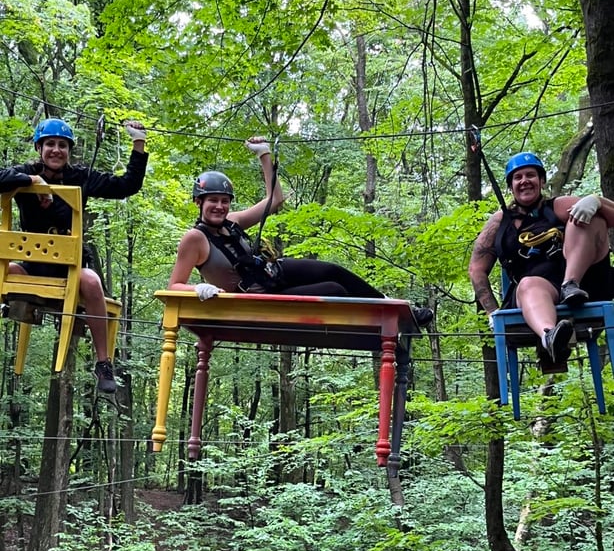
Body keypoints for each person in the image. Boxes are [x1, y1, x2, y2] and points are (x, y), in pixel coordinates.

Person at [168, 136, 433, 326]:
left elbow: (275, 200)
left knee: (332, 270)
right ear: (199, 202)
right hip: (258, 296)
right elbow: (174, 285)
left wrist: (264, 155)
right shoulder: (195, 239)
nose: (219, 207)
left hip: (273, 272)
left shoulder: (233, 221)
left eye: (224, 201)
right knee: (334, 289)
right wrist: (199, 289)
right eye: (213, 201)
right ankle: (384, 318)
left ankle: (395, 306)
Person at [0, 117, 149, 393]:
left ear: (69, 150)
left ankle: (103, 363)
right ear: (39, 148)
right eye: (50, 144)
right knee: (4, 272)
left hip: (69, 269)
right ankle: (17, 308)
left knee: (91, 281)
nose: (56, 150)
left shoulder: (80, 178)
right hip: (32, 266)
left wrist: (138, 143)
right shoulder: (25, 172)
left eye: (62, 145)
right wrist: (33, 181)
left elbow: (127, 186)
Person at [468, 151, 614, 363]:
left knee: (591, 217)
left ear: (542, 181)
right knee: (529, 285)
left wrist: (596, 202)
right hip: (534, 292)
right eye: (518, 177)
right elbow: (476, 269)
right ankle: (551, 336)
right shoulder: (499, 223)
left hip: (580, 286)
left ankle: (570, 283)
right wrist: (492, 312)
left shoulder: (558, 206)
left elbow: (602, 220)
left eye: (530, 175)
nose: (524, 181)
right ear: (511, 186)